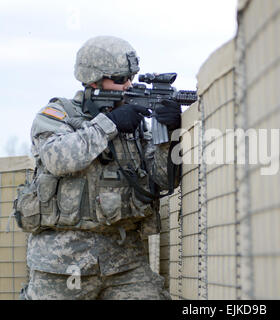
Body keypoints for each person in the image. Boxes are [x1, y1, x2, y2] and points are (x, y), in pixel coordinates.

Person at [19, 35, 181, 300]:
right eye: (120, 80)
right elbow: (59, 159)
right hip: (61, 262)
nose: (129, 85)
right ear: (93, 80)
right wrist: (110, 123)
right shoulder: (57, 115)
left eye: (131, 77)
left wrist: (169, 134)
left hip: (124, 261)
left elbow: (164, 180)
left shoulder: (135, 122)